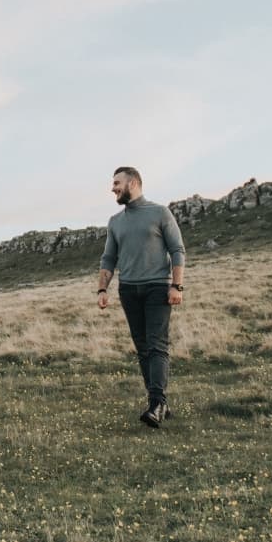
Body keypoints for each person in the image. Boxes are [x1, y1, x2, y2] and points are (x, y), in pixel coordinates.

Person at [97, 166, 186, 427]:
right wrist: (102, 289)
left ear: (133, 183)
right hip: (128, 289)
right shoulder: (115, 221)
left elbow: (177, 250)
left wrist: (177, 286)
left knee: (157, 345)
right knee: (143, 348)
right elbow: (109, 258)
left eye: (117, 183)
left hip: (158, 287)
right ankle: (158, 403)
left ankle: (156, 403)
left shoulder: (159, 212)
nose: (113, 188)